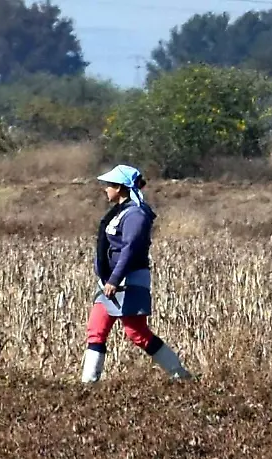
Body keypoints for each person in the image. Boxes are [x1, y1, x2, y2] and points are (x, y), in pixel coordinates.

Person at [80, 164, 191, 383]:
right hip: (109, 283)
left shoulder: (136, 215)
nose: (105, 189)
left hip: (126, 282)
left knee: (137, 333)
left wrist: (114, 279)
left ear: (121, 188)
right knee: (95, 330)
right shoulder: (119, 211)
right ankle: (87, 386)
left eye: (110, 185)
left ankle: (181, 377)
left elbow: (130, 249)